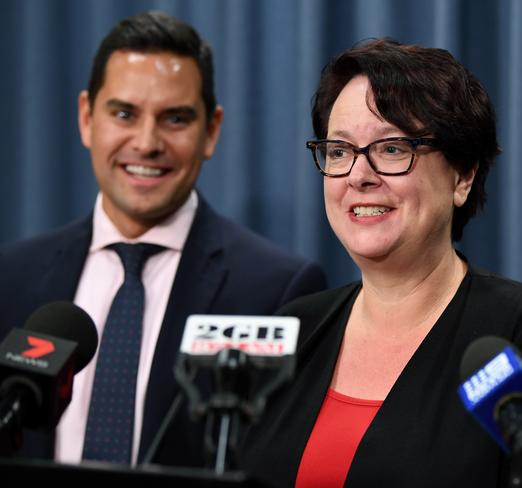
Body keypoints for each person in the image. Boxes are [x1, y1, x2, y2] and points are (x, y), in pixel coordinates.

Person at [241, 39, 522, 487]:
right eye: (339, 151)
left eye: (392, 148)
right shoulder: (294, 330)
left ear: (463, 175)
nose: (359, 175)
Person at [0, 11, 326, 468]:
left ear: (211, 131)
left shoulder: (279, 290)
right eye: (124, 114)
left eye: (174, 118)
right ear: (86, 118)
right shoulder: (11, 278)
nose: (147, 143)